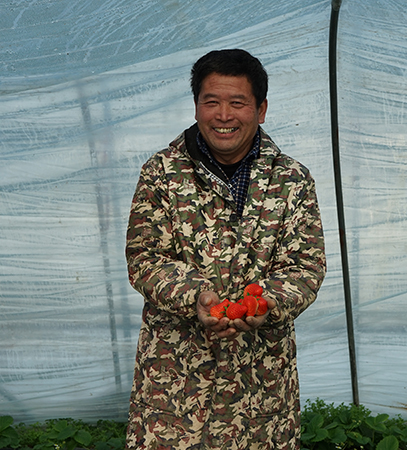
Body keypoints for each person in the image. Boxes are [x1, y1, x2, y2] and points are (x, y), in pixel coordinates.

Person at [124, 49, 326, 450]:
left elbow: (306, 265)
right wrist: (195, 296)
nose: (223, 115)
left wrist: (265, 303)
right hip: (176, 376)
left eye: (238, 103)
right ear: (196, 105)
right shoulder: (161, 173)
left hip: (261, 378)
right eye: (211, 102)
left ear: (261, 109)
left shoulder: (292, 179)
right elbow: (144, 258)